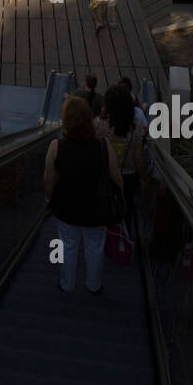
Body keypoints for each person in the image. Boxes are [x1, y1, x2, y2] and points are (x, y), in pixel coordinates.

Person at [44, 96, 123, 294]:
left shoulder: (56, 146)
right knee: (95, 247)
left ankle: (66, 283)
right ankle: (93, 285)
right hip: (97, 210)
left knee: (67, 246)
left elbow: (48, 180)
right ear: (89, 118)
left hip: (66, 208)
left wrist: (50, 198)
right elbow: (117, 179)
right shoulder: (104, 146)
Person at [97, 85, 145, 226]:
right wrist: (143, 178)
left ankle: (106, 234)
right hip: (128, 177)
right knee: (126, 208)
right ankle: (123, 238)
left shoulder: (99, 124)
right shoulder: (135, 127)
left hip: (104, 175)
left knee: (103, 206)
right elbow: (138, 157)